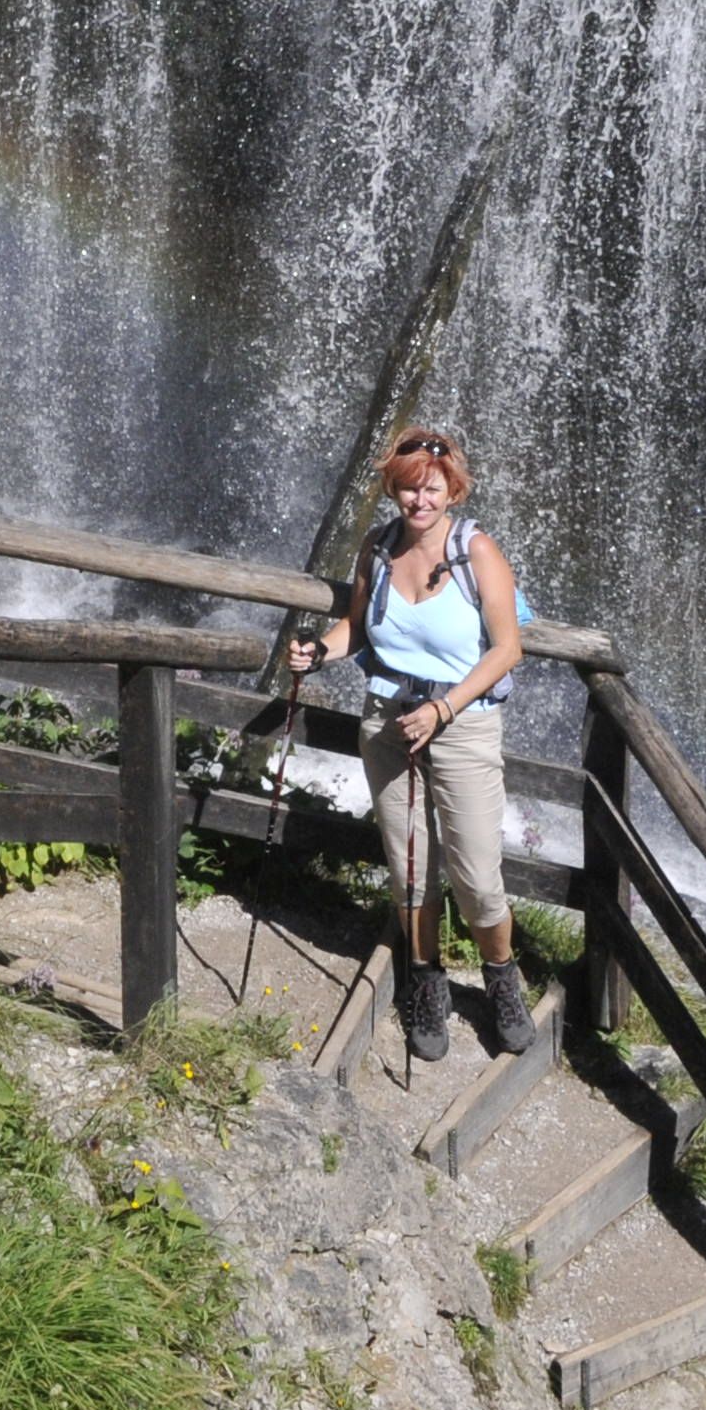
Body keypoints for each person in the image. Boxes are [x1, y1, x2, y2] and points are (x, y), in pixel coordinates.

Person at [285, 425, 536, 1060]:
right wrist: (319, 651)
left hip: (462, 724)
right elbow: (358, 629)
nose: (418, 502)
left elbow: (508, 648)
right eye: (406, 491)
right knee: (411, 869)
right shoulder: (377, 546)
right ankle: (426, 983)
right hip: (387, 721)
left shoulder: (477, 552)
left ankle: (502, 980)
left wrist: (444, 708)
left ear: (451, 488)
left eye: (430, 490)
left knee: (478, 875)